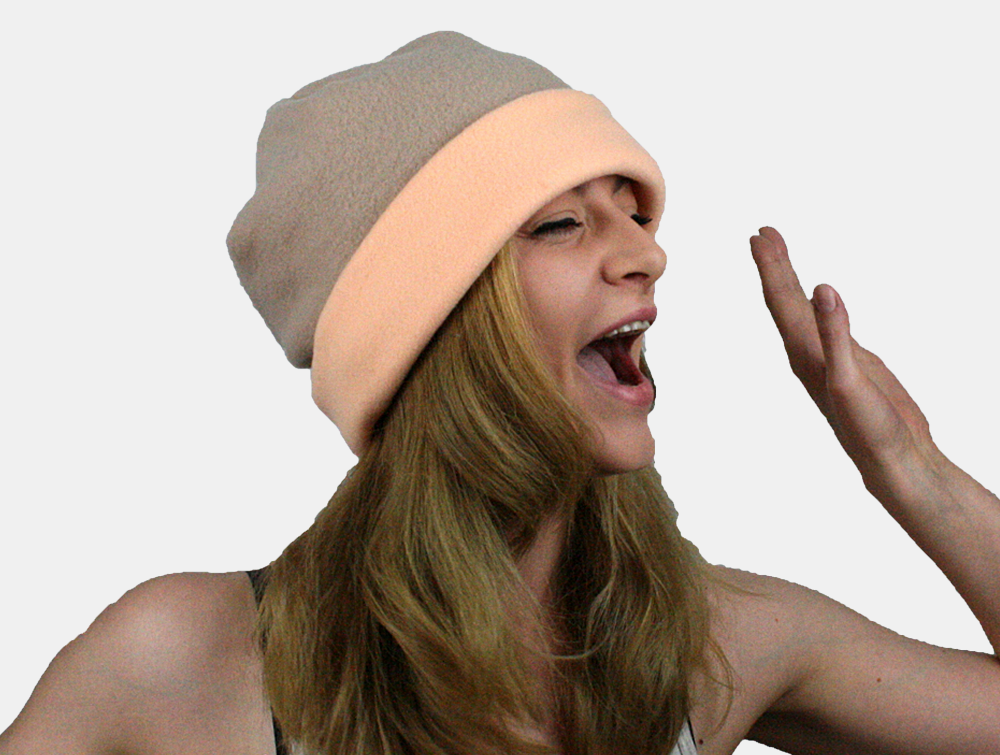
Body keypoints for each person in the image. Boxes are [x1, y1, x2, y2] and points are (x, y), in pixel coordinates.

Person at [3, 31, 999, 755]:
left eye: (632, 211)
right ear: (428, 321)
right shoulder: (184, 660)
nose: (646, 253)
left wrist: (911, 471)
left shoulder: (711, 642)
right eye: (562, 223)